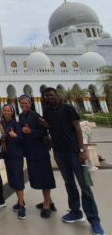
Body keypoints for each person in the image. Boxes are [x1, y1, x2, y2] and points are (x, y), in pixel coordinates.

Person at [41, 87, 105, 235]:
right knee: (69, 183)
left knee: (85, 186)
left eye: (51, 95)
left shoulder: (68, 108)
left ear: (57, 95)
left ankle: (94, 220)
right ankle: (75, 211)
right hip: (59, 152)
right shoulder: (48, 111)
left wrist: (82, 150)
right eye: (46, 96)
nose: (49, 98)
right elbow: (51, 128)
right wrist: (45, 126)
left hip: (74, 152)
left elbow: (77, 128)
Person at [18, 94, 56, 219]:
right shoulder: (22, 116)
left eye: (26, 103)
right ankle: (49, 201)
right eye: (22, 103)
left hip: (40, 151)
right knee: (38, 176)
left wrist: (32, 132)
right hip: (30, 152)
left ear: (30, 103)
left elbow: (45, 131)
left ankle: (46, 205)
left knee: (45, 176)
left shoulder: (36, 116)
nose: (24, 105)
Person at [1, 104, 26, 220]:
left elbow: (22, 140)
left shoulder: (16, 124)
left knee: (18, 178)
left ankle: (21, 206)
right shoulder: (2, 124)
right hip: (7, 155)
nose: (6, 112)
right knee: (13, 179)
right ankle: (20, 201)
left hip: (16, 155)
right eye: (4, 110)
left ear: (12, 112)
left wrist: (15, 135)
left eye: (8, 110)